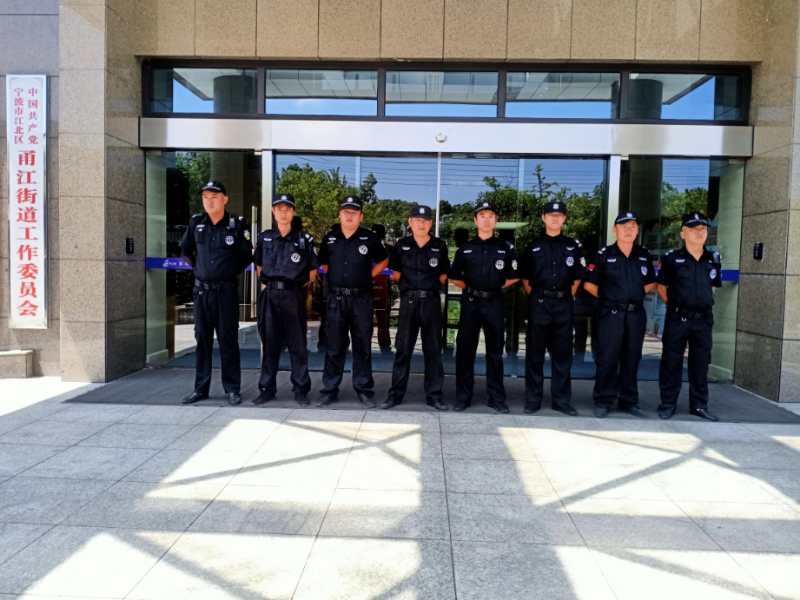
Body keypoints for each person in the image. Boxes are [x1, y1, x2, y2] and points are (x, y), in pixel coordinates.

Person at [179, 180, 252, 406]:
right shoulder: (196, 223)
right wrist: (201, 271)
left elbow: (246, 256)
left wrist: (226, 272)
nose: (209, 201)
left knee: (228, 340)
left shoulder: (236, 224)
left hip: (225, 292)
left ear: (225, 199)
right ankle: (201, 389)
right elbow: (185, 251)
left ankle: (232, 388)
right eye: (206, 197)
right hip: (202, 293)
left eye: (214, 197)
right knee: (202, 340)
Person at [317, 196, 389, 407]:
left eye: (354, 212)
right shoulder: (330, 238)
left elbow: (384, 260)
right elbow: (323, 264)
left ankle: (364, 389)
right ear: (340, 215)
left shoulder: (370, 238)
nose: (349, 216)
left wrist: (368, 275)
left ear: (361, 216)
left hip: (361, 299)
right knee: (334, 346)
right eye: (346, 212)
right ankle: (330, 390)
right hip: (336, 299)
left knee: (362, 345)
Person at [583, 211, 656, 418]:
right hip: (610, 314)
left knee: (632, 358)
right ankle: (603, 400)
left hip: (635, 315)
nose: (628, 230)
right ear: (615, 229)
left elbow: (650, 283)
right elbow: (589, 285)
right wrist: (611, 298)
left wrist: (633, 295)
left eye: (632, 226)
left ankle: (628, 400)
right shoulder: (604, 254)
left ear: (637, 230)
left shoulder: (644, 255)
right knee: (607, 357)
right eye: (624, 226)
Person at [449, 200, 519, 413]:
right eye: (482, 216)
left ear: (496, 221)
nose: (486, 220)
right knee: (465, 351)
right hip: (471, 303)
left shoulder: (506, 248)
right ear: (475, 220)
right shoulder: (465, 249)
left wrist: (495, 289)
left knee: (495, 352)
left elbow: (514, 276)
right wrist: (472, 289)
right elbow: (455, 277)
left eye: (490, 216)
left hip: (494, 303)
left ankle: (496, 397)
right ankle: (463, 396)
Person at [252, 193, 317, 406]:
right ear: (273, 211)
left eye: (287, 208)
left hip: (293, 296)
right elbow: (259, 266)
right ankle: (267, 389)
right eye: (279, 208)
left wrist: (294, 288)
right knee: (270, 344)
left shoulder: (303, 239)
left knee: (297, 344)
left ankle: (300, 389)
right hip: (270, 296)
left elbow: (312, 271)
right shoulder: (265, 238)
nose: (283, 212)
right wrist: (272, 285)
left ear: (293, 212)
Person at [382, 205, 449, 411]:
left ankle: (434, 396)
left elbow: (444, 275)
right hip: (409, 303)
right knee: (403, 350)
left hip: (431, 303)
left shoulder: (439, 245)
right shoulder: (401, 245)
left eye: (426, 220)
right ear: (410, 222)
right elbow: (394, 273)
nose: (422, 223)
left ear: (431, 223)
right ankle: (395, 395)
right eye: (417, 220)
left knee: (433, 351)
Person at [656, 212, 721, 421]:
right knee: (671, 363)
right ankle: (668, 404)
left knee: (700, 364)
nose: (699, 233)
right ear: (683, 233)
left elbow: (712, 286)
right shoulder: (671, 258)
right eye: (694, 229)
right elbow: (661, 287)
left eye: (703, 229)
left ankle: (699, 405)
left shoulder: (713, 258)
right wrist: (678, 306)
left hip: (703, 320)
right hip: (678, 318)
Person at [520, 201, 584, 416]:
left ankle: (561, 400)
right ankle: (533, 399)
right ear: (543, 217)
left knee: (563, 355)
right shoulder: (533, 246)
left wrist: (563, 296)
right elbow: (526, 279)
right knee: (534, 354)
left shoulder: (573, 246)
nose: (555, 218)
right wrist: (540, 297)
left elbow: (577, 277)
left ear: (564, 219)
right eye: (551, 215)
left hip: (563, 304)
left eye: (559, 215)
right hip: (540, 304)